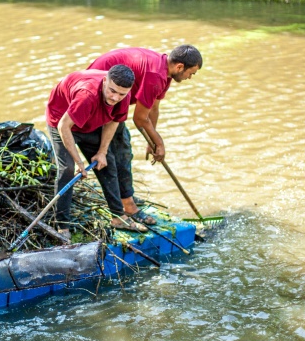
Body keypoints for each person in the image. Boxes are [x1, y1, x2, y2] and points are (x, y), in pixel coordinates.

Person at [87, 45, 203, 225]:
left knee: (123, 150)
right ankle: (127, 207)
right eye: (191, 73)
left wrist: (151, 141)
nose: (190, 78)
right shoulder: (155, 75)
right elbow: (139, 119)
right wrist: (160, 143)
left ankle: (126, 198)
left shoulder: (165, 72)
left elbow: (153, 109)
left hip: (114, 101)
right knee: (116, 153)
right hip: (98, 97)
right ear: (180, 67)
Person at [46, 64, 148, 237]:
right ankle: (62, 224)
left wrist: (102, 151)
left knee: (107, 163)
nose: (115, 97)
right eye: (111, 91)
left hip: (91, 121)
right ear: (104, 81)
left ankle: (118, 217)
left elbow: (113, 121)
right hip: (61, 122)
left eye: (121, 94)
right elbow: (64, 126)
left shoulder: (123, 95)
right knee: (67, 170)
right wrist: (79, 162)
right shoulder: (88, 95)